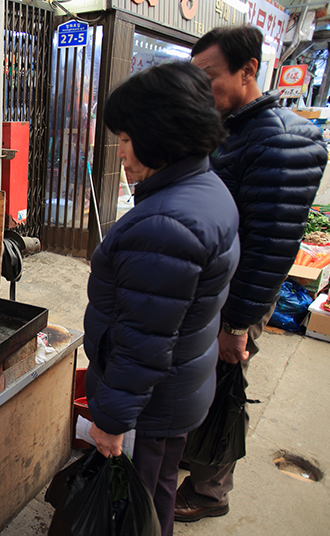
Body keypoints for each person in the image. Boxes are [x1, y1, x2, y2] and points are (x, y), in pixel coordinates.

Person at [175, 26, 328, 522]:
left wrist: (237, 326)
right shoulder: (229, 126)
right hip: (208, 288)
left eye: (210, 78)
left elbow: (269, 248)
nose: (202, 90)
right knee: (196, 380)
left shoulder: (279, 141)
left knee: (222, 387)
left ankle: (210, 491)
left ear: (248, 71)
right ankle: (186, 457)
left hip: (236, 297)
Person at [84, 61, 240, 536]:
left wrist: (111, 420)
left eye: (127, 139)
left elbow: (143, 341)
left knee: (134, 507)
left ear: (160, 135)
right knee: (158, 494)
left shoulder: (165, 224)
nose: (121, 153)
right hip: (180, 391)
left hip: (151, 402)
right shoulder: (206, 187)